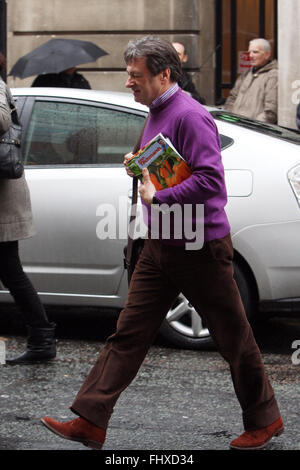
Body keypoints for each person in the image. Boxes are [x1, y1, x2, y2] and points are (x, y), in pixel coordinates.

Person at [41, 36, 283, 451]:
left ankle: (267, 419)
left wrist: (161, 196)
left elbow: (210, 181)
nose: (128, 82)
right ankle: (90, 421)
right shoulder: (157, 109)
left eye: (136, 76)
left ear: (164, 75)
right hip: (161, 242)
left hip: (198, 245)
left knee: (233, 337)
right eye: (129, 74)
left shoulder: (189, 115)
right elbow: (165, 163)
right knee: (128, 333)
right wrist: (138, 165)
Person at [0, 74, 56, 365]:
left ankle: (42, 338)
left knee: (11, 271)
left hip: (3, 199)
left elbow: (2, 122)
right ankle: (41, 337)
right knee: (11, 272)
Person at [224, 38, 278, 123]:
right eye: (249, 52)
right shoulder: (247, 73)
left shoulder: (273, 75)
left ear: (267, 54)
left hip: (253, 131)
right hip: (235, 126)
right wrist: (228, 119)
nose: (251, 56)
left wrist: (252, 127)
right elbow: (232, 98)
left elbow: (270, 112)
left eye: (255, 52)